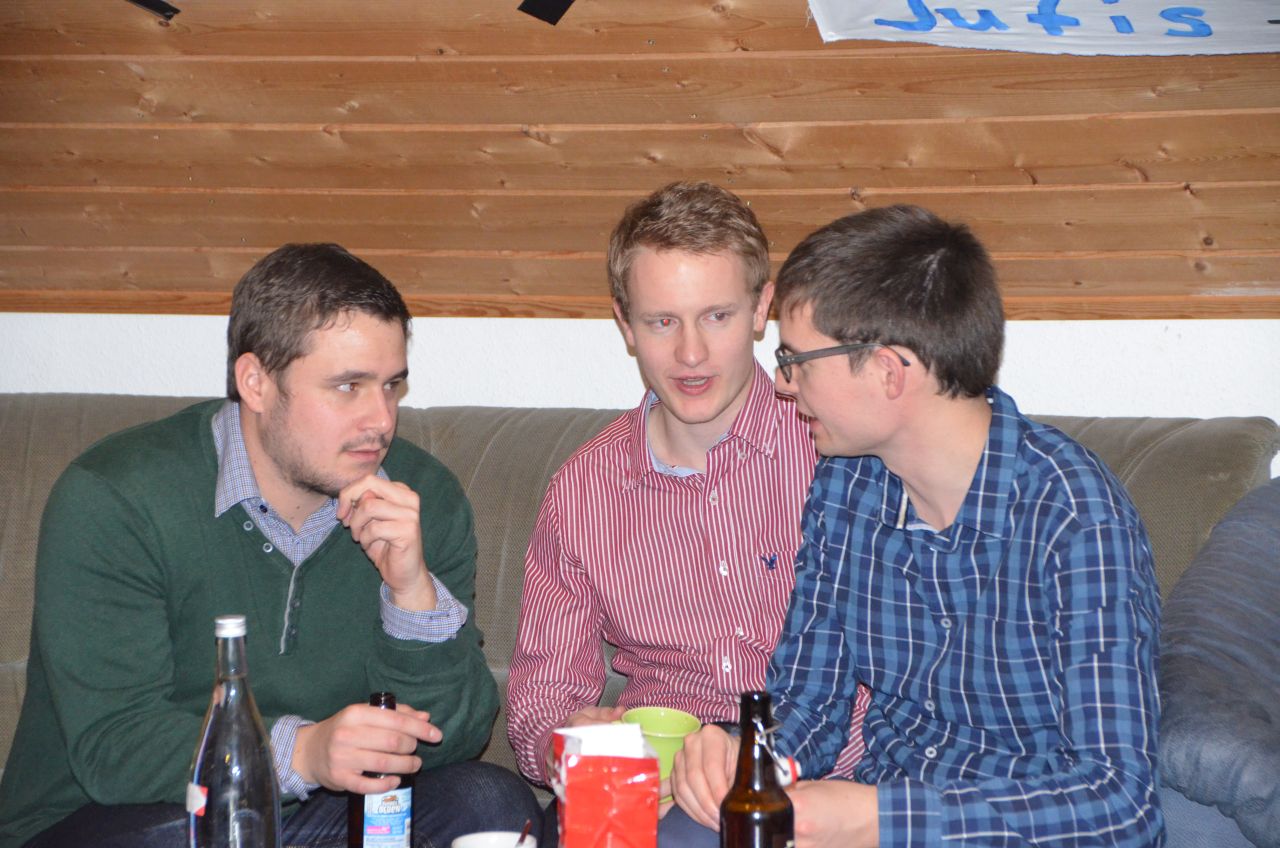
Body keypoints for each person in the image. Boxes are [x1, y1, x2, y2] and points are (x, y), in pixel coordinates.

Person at [0, 244, 542, 848]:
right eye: (348, 386)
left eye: (391, 385)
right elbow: (114, 745)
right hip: (132, 818)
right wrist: (302, 753)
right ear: (256, 382)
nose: (381, 420)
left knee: (490, 804)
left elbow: (454, 737)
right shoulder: (115, 496)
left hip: (321, 815)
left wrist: (411, 593)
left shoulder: (423, 500)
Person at [672, 205, 1164, 847]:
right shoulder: (846, 486)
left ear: (887, 370)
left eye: (796, 360)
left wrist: (880, 819)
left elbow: (1122, 805)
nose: (783, 385)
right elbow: (809, 707)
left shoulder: (1074, 518)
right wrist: (744, 757)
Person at [505, 182, 869, 844]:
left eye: (717, 316)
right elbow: (541, 698)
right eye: (662, 322)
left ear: (761, 309)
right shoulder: (584, 489)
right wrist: (569, 741)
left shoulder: (837, 445)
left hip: (819, 770)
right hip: (657, 778)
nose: (691, 354)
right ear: (625, 324)